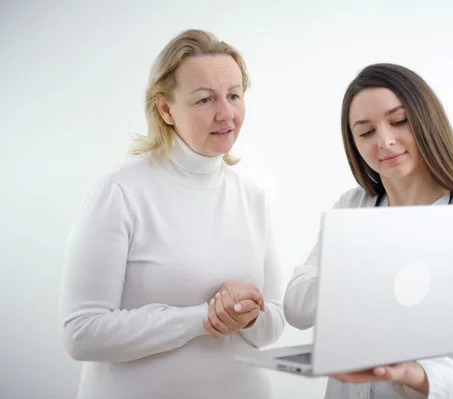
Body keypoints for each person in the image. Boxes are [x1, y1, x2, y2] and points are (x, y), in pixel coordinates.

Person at [59, 29, 285, 399]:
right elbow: (81, 333)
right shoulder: (120, 192)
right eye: (204, 100)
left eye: (234, 95)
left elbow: (273, 324)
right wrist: (203, 318)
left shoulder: (253, 196)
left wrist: (248, 313)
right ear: (165, 108)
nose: (226, 113)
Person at [283, 63, 453, 399]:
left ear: (426, 120)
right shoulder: (353, 206)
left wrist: (408, 373)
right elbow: (296, 307)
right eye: (366, 132)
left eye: (399, 121)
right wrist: (362, 266)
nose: (385, 142)